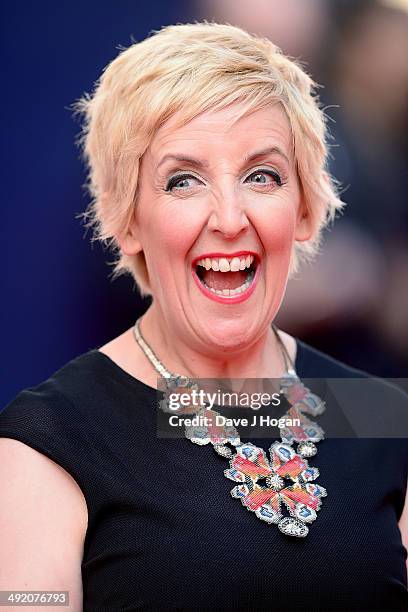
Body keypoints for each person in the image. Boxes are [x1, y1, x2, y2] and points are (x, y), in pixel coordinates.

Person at [0, 22, 407, 611]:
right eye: (182, 180)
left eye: (262, 176)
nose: (229, 216)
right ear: (128, 220)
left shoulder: (386, 421)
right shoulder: (50, 441)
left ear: (305, 209)